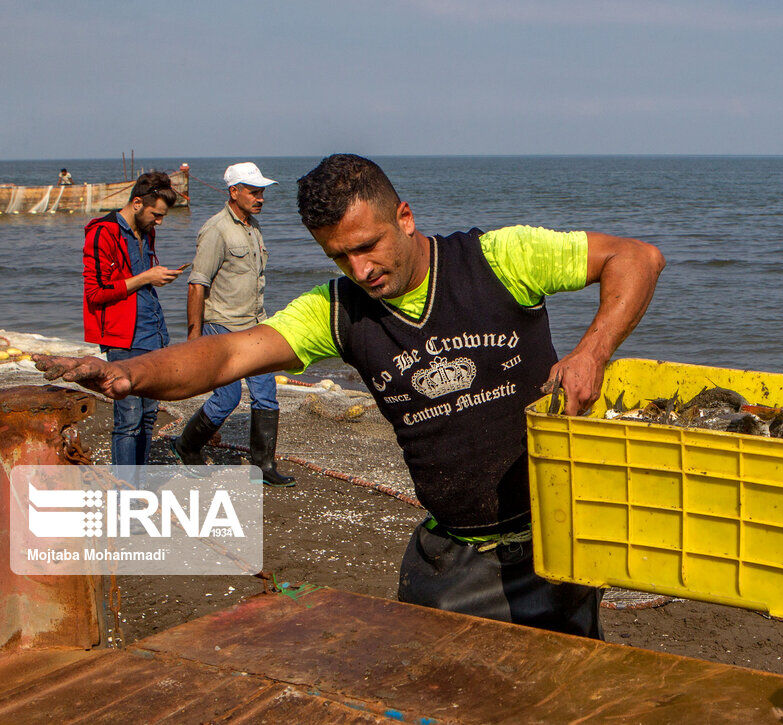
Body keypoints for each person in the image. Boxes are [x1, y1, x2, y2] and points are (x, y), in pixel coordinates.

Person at [39, 154, 665, 639]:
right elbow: (230, 354)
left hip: (556, 539)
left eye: (368, 246)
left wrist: (591, 352)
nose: (361, 270)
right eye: (341, 256)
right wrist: (131, 374)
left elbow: (635, 258)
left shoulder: (500, 258)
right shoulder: (339, 313)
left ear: (405, 217)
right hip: (453, 554)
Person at [172, 162, 294, 487]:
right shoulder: (216, 230)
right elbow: (197, 284)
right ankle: (187, 445)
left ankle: (263, 466)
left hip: (256, 326)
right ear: (234, 192)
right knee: (226, 399)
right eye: (253, 192)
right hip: (222, 327)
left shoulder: (253, 228)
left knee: (266, 395)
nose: (260, 198)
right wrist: (194, 337)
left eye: (262, 192)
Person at [80, 171, 184, 467]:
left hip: (154, 333)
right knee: (129, 419)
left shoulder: (147, 231)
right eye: (156, 214)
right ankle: (125, 490)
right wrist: (146, 277)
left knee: (149, 415)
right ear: (137, 202)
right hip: (123, 338)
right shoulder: (102, 232)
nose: (159, 222)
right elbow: (95, 293)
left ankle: (139, 484)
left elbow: (140, 281)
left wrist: (155, 278)